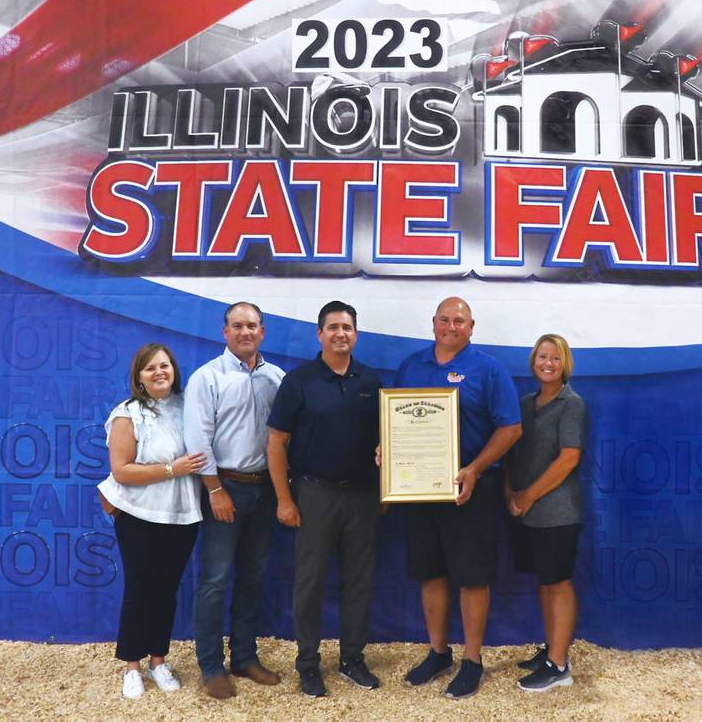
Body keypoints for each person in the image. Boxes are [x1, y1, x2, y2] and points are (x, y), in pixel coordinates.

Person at [394, 296, 521, 699]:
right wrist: (388, 449)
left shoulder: (488, 370)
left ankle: (472, 660)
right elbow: (394, 420)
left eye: (459, 321)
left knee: (472, 576)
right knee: (430, 571)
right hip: (420, 490)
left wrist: (476, 468)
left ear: (471, 326)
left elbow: (511, 429)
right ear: (433, 323)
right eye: (445, 319)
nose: (451, 326)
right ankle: (437, 652)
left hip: (471, 491)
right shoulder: (411, 366)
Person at [267, 301, 381, 698]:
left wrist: (389, 478)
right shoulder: (299, 381)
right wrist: (284, 498)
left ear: (356, 334)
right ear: (319, 334)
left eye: (347, 327)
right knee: (310, 583)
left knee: (358, 582)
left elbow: (388, 441)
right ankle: (308, 664)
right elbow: (276, 442)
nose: (340, 333)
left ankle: (352, 659)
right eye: (332, 327)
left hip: (363, 495)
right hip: (314, 494)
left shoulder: (371, 380)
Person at [184, 302, 285, 699]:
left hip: (265, 488)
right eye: (238, 325)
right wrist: (215, 490)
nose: (246, 332)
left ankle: (244, 656)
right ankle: (211, 665)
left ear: (263, 332)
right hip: (224, 487)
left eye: (253, 326)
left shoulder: (276, 378)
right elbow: (197, 440)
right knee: (214, 579)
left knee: (253, 575)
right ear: (224, 332)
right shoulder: (206, 378)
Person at [98, 343, 207, 699]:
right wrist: (173, 469)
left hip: (183, 514)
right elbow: (122, 470)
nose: (159, 372)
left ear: (174, 370)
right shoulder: (128, 413)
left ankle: (159, 661)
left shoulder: (189, 408)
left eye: (164, 366)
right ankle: (132, 665)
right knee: (140, 588)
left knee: (166, 589)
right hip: (139, 515)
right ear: (139, 378)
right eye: (150, 369)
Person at [505, 334, 589, 692]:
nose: (548, 363)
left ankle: (559, 665)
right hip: (527, 511)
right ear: (533, 361)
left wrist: (527, 496)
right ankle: (551, 649)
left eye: (555, 357)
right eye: (542, 356)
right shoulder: (525, 403)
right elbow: (511, 449)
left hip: (557, 512)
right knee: (544, 582)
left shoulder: (573, 405)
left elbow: (569, 458)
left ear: (565, 363)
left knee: (558, 583)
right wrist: (510, 492)